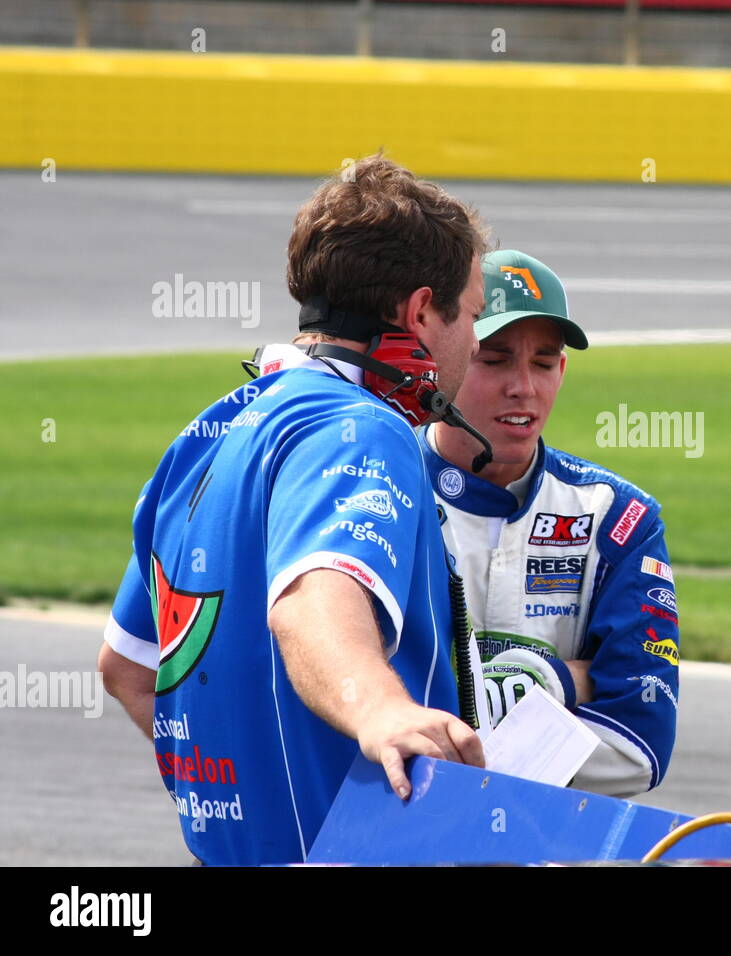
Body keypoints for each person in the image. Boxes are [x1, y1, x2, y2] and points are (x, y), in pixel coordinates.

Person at [95, 155, 491, 865]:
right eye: (469, 314)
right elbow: (312, 601)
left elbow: (128, 668)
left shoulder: (205, 435)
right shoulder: (364, 429)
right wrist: (381, 710)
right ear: (420, 312)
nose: (475, 341)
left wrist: (252, 801)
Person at [421, 250, 678, 797]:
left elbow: (639, 745)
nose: (524, 387)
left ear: (561, 371)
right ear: (447, 358)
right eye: (494, 359)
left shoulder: (619, 517)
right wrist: (569, 683)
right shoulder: (382, 489)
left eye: (543, 362)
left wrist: (461, 736)